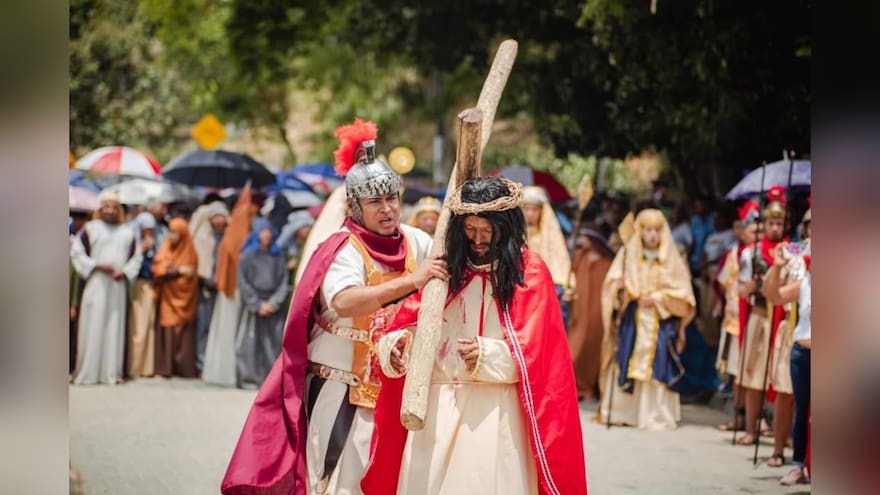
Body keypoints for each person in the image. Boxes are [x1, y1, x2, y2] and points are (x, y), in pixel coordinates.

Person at [221, 118, 438, 495]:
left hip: (394, 387)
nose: (387, 209)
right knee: (334, 483)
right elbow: (344, 299)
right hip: (340, 385)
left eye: (392, 199)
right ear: (355, 206)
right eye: (375, 201)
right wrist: (413, 281)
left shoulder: (418, 241)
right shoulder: (343, 247)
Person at [361, 176, 587, 495]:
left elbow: (542, 358)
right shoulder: (445, 270)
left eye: (486, 231)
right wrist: (397, 347)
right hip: (437, 410)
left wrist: (487, 355)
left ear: (505, 227)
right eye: (470, 230)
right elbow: (409, 325)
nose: (478, 239)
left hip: (496, 411)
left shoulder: (530, 273)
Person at [598, 208, 696, 430]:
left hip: (660, 322)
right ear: (640, 231)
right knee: (626, 360)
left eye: (657, 230)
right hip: (634, 319)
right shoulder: (627, 254)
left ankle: (654, 414)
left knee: (658, 364)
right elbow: (611, 285)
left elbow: (684, 295)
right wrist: (620, 289)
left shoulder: (672, 259)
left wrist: (659, 298)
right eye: (647, 230)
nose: (652, 235)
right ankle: (624, 411)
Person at [736, 186, 789, 455]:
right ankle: (750, 428)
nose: (775, 227)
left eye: (780, 223)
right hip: (759, 317)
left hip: (781, 320)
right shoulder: (750, 253)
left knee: (782, 379)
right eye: (771, 222)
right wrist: (755, 286)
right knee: (753, 375)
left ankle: (785, 434)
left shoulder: (791, 253)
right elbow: (741, 288)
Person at [70, 192, 143, 385]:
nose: (110, 210)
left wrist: (126, 272)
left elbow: (136, 258)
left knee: (114, 326)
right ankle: (88, 372)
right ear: (100, 209)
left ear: (119, 210)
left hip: (116, 287)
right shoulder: (90, 229)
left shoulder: (127, 232)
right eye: (106, 207)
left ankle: (111, 372)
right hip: (95, 284)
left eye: (114, 207)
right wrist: (96, 265)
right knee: (91, 325)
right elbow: (77, 253)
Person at [764, 237, 811, 485]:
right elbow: (775, 296)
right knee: (801, 411)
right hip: (801, 353)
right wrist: (777, 266)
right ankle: (798, 464)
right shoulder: (805, 283)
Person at [715, 201, 759, 432]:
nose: (755, 234)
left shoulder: (765, 254)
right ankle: (738, 415)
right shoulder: (733, 254)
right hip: (735, 318)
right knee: (736, 370)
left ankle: (756, 418)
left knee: (756, 371)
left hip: (758, 317)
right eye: (751, 230)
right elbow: (723, 283)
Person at [203, 186, 253, 387]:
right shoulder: (236, 236)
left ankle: (227, 372)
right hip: (234, 290)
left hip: (231, 289)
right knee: (231, 329)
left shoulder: (232, 234)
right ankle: (229, 373)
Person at [235, 218, 291, 389]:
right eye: (262, 231)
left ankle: (269, 381)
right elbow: (242, 281)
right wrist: (256, 303)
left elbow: (283, 282)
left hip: (273, 304)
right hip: (254, 304)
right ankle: (248, 378)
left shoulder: (277, 256)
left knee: (272, 343)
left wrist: (273, 303)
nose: (265, 235)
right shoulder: (247, 256)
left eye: (268, 231)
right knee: (249, 343)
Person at [567, 220, 614, 401]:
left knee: (593, 348)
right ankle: (572, 386)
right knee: (574, 347)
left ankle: (586, 387)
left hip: (597, 311)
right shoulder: (578, 256)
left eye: (584, 238)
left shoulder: (607, 261)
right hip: (579, 310)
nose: (581, 241)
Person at [152, 217, 199, 378]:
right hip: (167, 298)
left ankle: (184, 369)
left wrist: (173, 271)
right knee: (167, 330)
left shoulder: (190, 250)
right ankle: (165, 368)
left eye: (175, 232)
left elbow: (191, 274)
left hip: (185, 299)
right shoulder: (166, 247)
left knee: (183, 333)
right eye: (170, 232)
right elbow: (158, 269)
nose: (171, 236)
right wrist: (178, 270)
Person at [189, 200, 230, 374]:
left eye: (221, 216)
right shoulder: (202, 237)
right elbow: (200, 262)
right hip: (205, 287)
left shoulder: (228, 237)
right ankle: (201, 363)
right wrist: (207, 280)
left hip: (224, 289)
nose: (218, 220)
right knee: (203, 327)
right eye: (216, 216)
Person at [128, 212, 158, 378]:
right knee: (137, 328)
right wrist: (142, 249)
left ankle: (146, 368)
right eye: (145, 229)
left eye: (151, 229)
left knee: (148, 326)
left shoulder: (155, 244)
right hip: (137, 286)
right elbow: (132, 266)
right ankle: (135, 366)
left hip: (150, 287)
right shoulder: (134, 244)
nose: (149, 233)